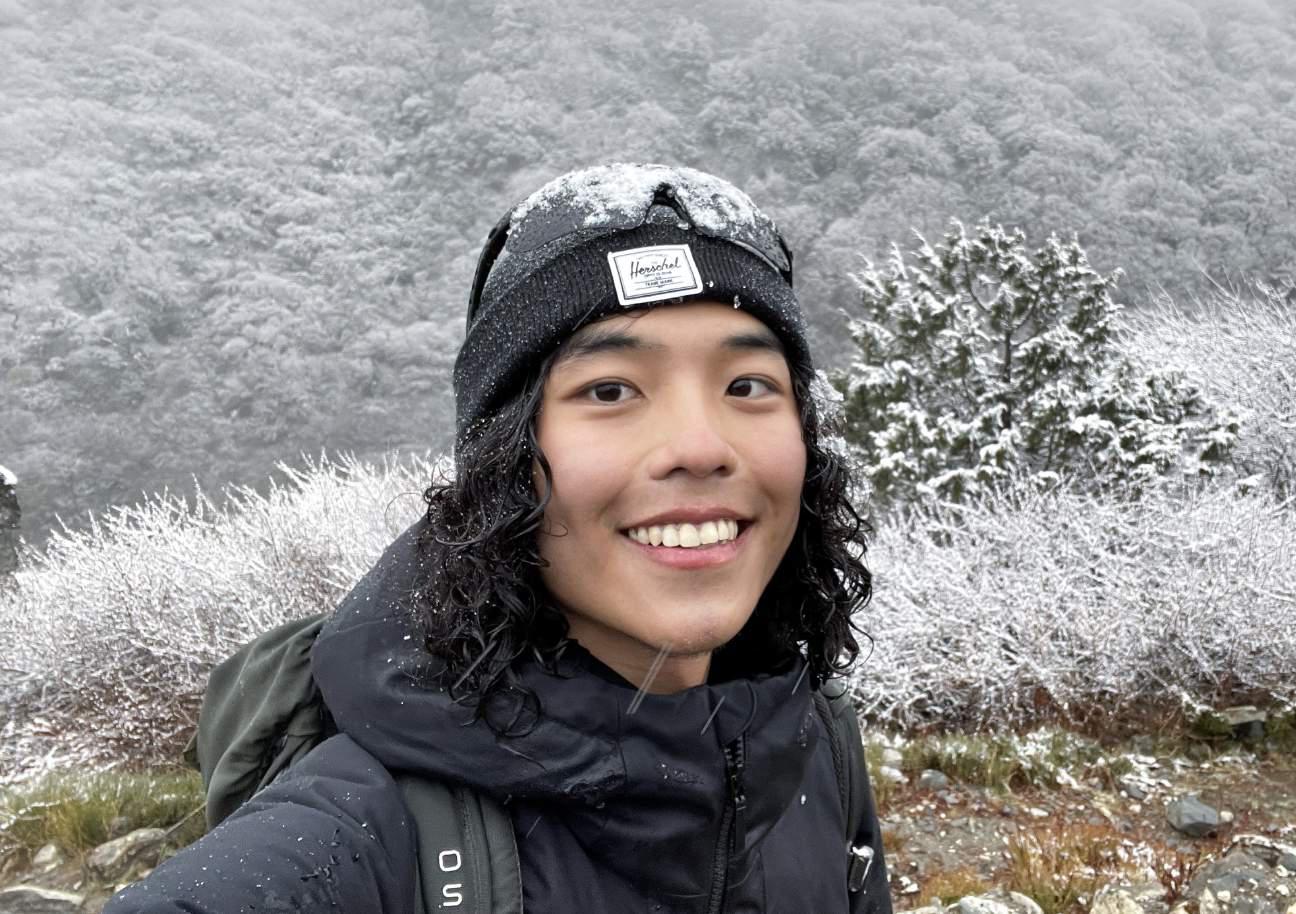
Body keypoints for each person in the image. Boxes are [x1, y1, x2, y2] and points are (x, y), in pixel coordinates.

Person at [106, 164, 892, 913]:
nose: (700, 445)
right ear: (504, 460)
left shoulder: (810, 741)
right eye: (610, 389)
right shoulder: (361, 827)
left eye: (747, 386)